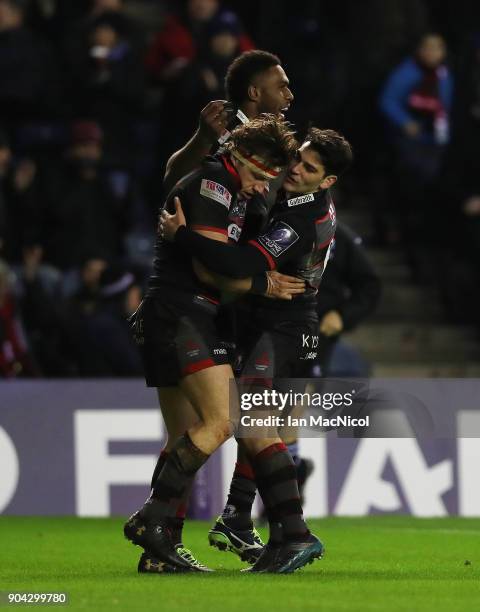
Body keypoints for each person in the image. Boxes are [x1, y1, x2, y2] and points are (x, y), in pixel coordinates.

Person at [160, 127, 353, 573]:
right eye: (299, 159)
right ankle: (249, 522)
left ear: (327, 182)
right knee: (267, 430)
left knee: (252, 426)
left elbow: (241, 264)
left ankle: (293, 532)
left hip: (281, 329)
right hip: (287, 328)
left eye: (310, 168)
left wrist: (183, 236)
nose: (296, 169)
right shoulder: (300, 203)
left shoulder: (297, 220)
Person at [123, 116, 301, 573]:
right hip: (184, 312)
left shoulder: (233, 191)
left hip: (180, 313)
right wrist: (262, 283)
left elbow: (222, 256)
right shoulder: (211, 185)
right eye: (260, 176)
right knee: (223, 420)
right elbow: (209, 269)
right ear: (243, 158)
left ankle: (159, 551)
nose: (262, 187)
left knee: (186, 436)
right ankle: (152, 519)